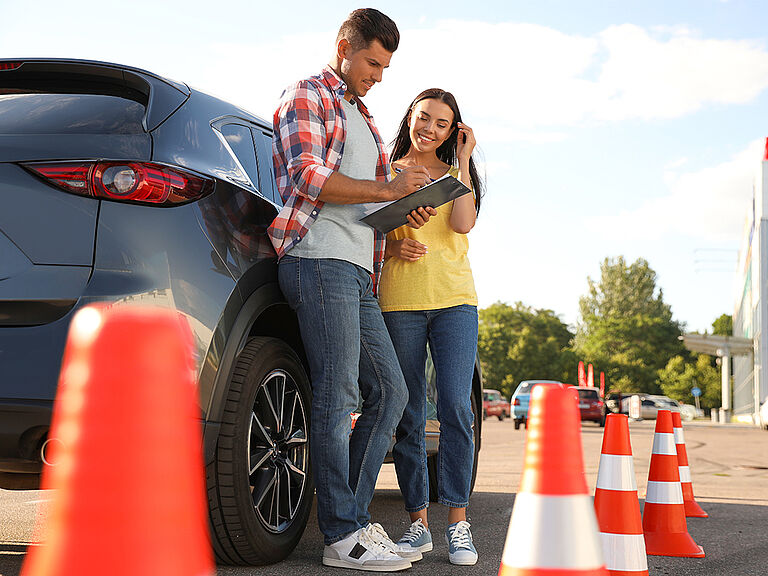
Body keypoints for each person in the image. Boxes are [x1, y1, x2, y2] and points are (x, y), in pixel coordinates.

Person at [268, 8, 437, 573]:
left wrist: (399, 215)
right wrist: (386, 186)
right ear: (344, 45)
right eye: (372, 62)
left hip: (357, 269)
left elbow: (366, 206)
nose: (379, 76)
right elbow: (306, 177)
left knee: (391, 393)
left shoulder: (363, 117)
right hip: (318, 261)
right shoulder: (307, 94)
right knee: (339, 394)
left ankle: (354, 522)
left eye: (386, 67)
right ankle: (341, 533)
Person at [378, 88, 484, 566]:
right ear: (411, 118)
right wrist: (394, 248)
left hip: (455, 302)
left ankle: (458, 522)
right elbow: (366, 226)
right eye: (425, 118)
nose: (431, 129)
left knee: (456, 407)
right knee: (409, 414)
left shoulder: (457, 175)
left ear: (452, 130)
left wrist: (462, 160)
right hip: (400, 301)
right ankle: (418, 523)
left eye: (443, 124)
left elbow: (461, 226)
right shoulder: (386, 168)